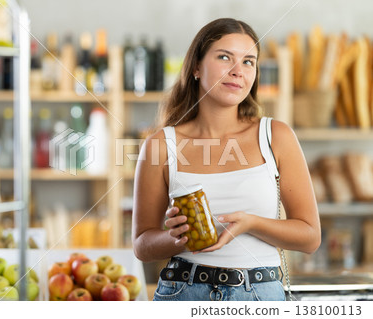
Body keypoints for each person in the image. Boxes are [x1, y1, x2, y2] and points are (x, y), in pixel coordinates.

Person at [132, 18, 321, 301]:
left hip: (259, 295)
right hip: (183, 291)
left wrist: (251, 223)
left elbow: (309, 237)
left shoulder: (275, 136)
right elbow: (142, 245)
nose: (238, 71)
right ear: (196, 67)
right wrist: (176, 237)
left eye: (248, 62)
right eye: (224, 57)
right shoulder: (160, 145)